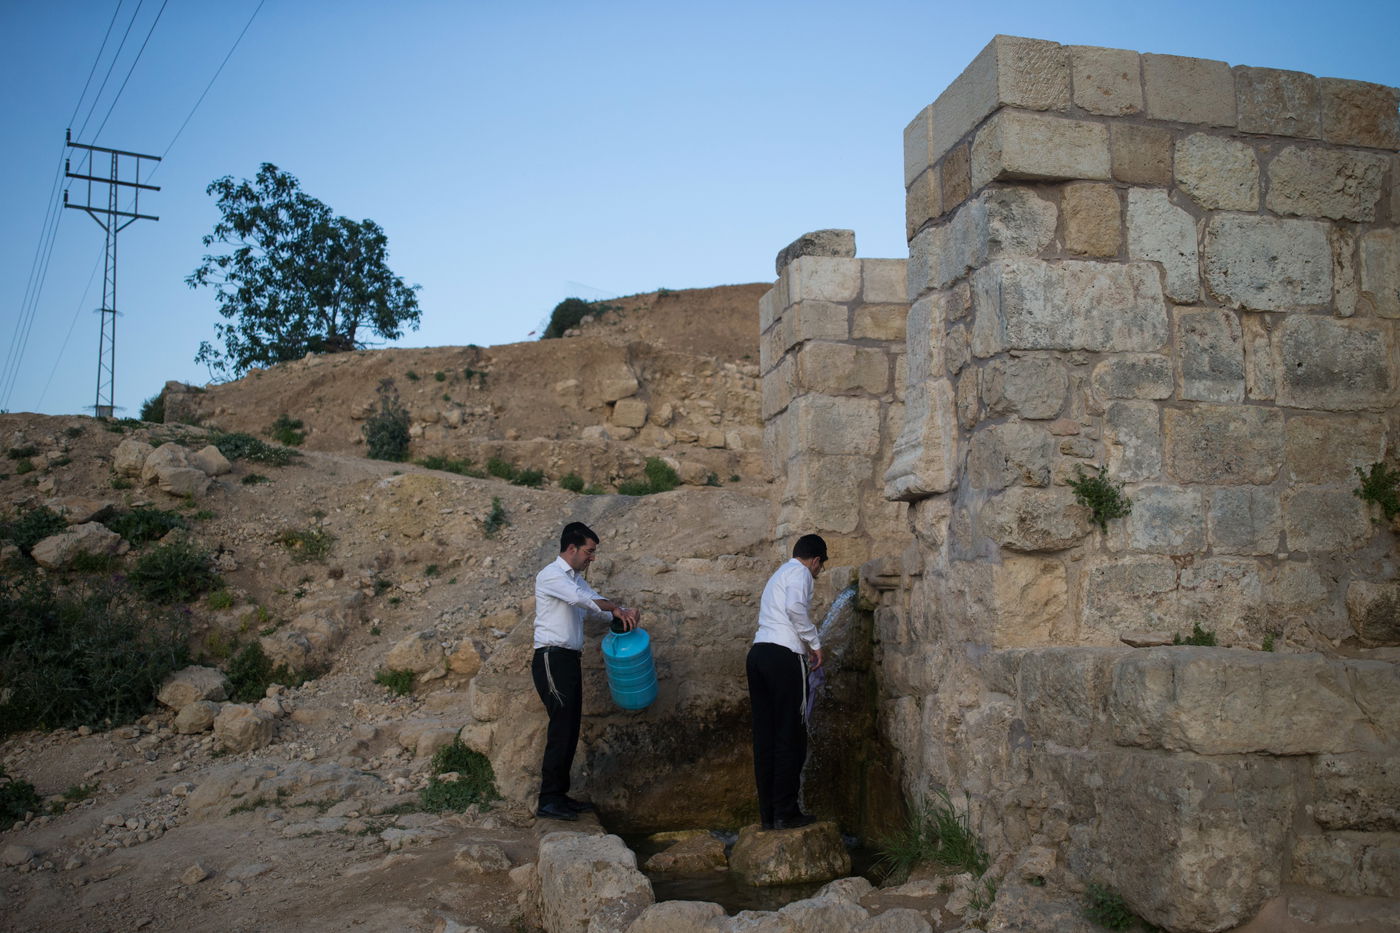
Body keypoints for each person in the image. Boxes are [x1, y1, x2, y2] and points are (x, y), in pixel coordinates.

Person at [531, 521, 639, 821]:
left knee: (569, 727)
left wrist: (623, 614)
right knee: (561, 727)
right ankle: (548, 800)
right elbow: (583, 600)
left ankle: (559, 796)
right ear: (572, 549)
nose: (592, 558)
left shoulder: (576, 579)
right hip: (551, 658)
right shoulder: (551, 575)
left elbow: (597, 605)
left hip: (568, 660)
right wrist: (615, 607)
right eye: (589, 552)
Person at [747, 533, 826, 831]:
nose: (818, 574)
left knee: (765, 737)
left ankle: (768, 815)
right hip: (783, 658)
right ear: (815, 560)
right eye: (820, 568)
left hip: (758, 654)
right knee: (790, 734)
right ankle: (786, 813)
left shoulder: (779, 573)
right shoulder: (801, 573)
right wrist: (814, 642)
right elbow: (796, 608)